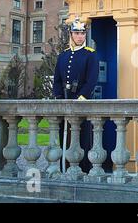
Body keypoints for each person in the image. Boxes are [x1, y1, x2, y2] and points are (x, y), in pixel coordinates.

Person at [53, 17, 99, 173]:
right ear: (71, 35)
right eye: (76, 33)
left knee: (83, 136)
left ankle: (84, 168)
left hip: (81, 102)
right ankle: (64, 166)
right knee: (64, 135)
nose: (80, 36)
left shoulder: (90, 55)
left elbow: (92, 80)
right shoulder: (63, 55)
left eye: (82, 33)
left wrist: (81, 97)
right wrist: (58, 97)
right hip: (64, 101)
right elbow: (57, 80)